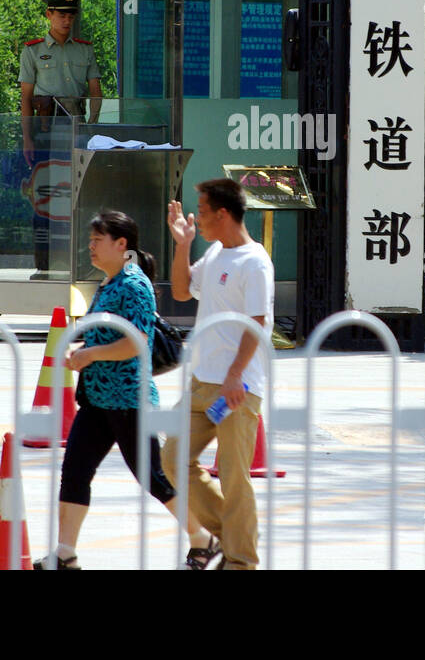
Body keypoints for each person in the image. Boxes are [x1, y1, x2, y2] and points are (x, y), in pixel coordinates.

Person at [34, 210, 221, 571]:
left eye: (98, 240)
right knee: (75, 471)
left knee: (153, 477)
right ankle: (65, 553)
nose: (91, 246)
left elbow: (137, 343)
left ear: (122, 245)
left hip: (128, 400)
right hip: (97, 400)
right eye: (90, 240)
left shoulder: (134, 285)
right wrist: (85, 352)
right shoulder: (108, 282)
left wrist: (89, 354)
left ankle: (203, 539)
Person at [162, 178, 275, 570]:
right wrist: (182, 245)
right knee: (172, 459)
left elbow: (257, 323)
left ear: (223, 214)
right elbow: (180, 291)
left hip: (237, 388)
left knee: (234, 476)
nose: (200, 219)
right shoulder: (214, 253)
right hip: (202, 382)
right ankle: (225, 538)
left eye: (204, 213)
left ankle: (241, 561)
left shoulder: (254, 262)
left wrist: (235, 375)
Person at [19, 0, 103, 276]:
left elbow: (95, 90)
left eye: (71, 15)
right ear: (49, 15)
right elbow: (26, 98)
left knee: (77, 194)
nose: (67, 20)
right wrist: (27, 137)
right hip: (45, 128)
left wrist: (92, 122)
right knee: (44, 195)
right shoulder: (33, 50)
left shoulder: (84, 48)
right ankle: (43, 263)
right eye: (61, 15)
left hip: (76, 128)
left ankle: (77, 259)